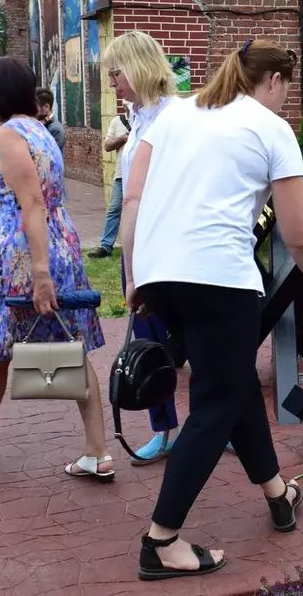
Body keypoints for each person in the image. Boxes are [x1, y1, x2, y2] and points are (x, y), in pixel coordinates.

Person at [121, 38, 303, 580]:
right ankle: (161, 541)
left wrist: (135, 275)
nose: (285, 101)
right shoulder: (271, 129)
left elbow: (133, 198)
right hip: (218, 280)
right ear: (274, 80)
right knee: (215, 405)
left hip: (161, 275)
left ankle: (278, 494)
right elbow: (302, 236)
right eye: (286, 90)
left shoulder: (176, 115)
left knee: (235, 384)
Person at [0, 56, 113, 481]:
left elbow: (30, 203)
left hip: (25, 253)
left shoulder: (8, 134)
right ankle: (97, 452)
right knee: (71, 345)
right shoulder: (39, 129)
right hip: (59, 240)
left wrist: (40, 274)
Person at [100, 30, 183, 463]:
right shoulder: (137, 118)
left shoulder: (177, 116)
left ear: (138, 67)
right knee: (149, 341)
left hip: (172, 248)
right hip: (141, 247)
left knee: (199, 339)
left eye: (115, 72)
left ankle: (225, 422)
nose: (111, 82)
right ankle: (164, 430)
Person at [88, 114, 128, 258]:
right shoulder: (117, 121)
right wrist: (122, 138)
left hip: (142, 175)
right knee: (114, 209)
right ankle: (106, 246)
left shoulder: (145, 119)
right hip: (121, 175)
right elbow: (107, 146)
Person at [35, 87, 66, 153]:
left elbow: (48, 154)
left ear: (46, 107)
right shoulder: (40, 124)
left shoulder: (56, 129)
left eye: (35, 106)